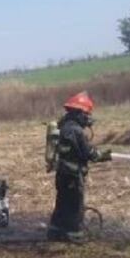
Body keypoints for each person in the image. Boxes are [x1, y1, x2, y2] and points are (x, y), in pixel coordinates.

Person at [47, 91, 111, 243]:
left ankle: (55, 231)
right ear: (79, 113)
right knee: (74, 204)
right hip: (72, 175)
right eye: (86, 114)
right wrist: (101, 155)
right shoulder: (75, 130)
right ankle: (73, 233)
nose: (88, 118)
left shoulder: (66, 126)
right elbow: (87, 152)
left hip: (64, 173)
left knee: (63, 203)